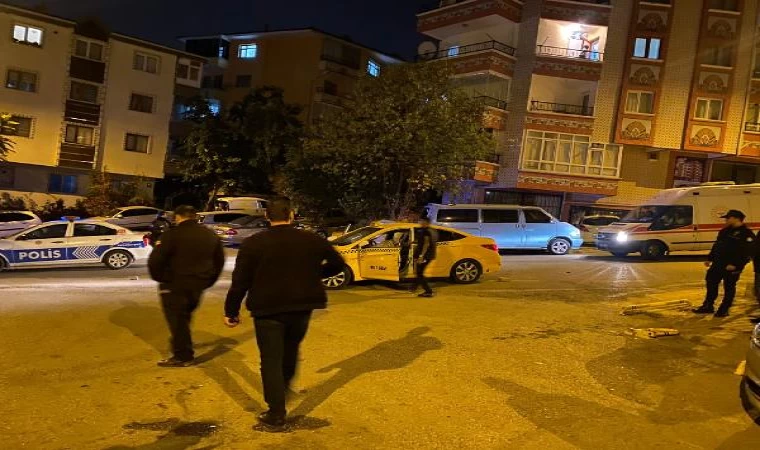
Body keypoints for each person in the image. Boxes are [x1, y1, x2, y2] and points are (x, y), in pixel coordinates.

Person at [223, 197, 345, 429]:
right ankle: (284, 387)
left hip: (267, 308)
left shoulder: (254, 243)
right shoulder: (311, 239)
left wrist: (231, 310)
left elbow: (240, 281)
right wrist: (313, 275)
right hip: (302, 307)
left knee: (271, 359)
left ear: (267, 216)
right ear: (291, 215)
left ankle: (276, 413)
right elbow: (338, 263)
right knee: (290, 350)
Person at [148, 205, 225, 367]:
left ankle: (183, 356)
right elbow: (219, 261)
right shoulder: (210, 235)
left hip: (175, 284)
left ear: (178, 217)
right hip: (198, 284)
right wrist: (209, 280)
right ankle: (182, 344)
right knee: (184, 317)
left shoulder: (171, 235)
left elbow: (156, 260)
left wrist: (161, 278)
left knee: (177, 320)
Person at [693, 210, 756, 318]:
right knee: (711, 282)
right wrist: (710, 258)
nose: (726, 220)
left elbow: (748, 252)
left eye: (728, 218)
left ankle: (724, 309)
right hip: (718, 263)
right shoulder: (725, 231)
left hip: (732, 267)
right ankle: (708, 306)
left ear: (736, 218)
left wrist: (736, 265)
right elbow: (717, 245)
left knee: (729, 287)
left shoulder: (746, 233)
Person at [411, 217, 438, 298]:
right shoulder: (432, 230)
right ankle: (414, 287)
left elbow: (426, 244)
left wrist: (421, 256)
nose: (420, 222)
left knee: (419, 273)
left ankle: (428, 291)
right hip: (429, 255)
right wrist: (414, 242)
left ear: (426, 222)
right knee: (419, 272)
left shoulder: (426, 231)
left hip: (425, 256)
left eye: (421, 221)